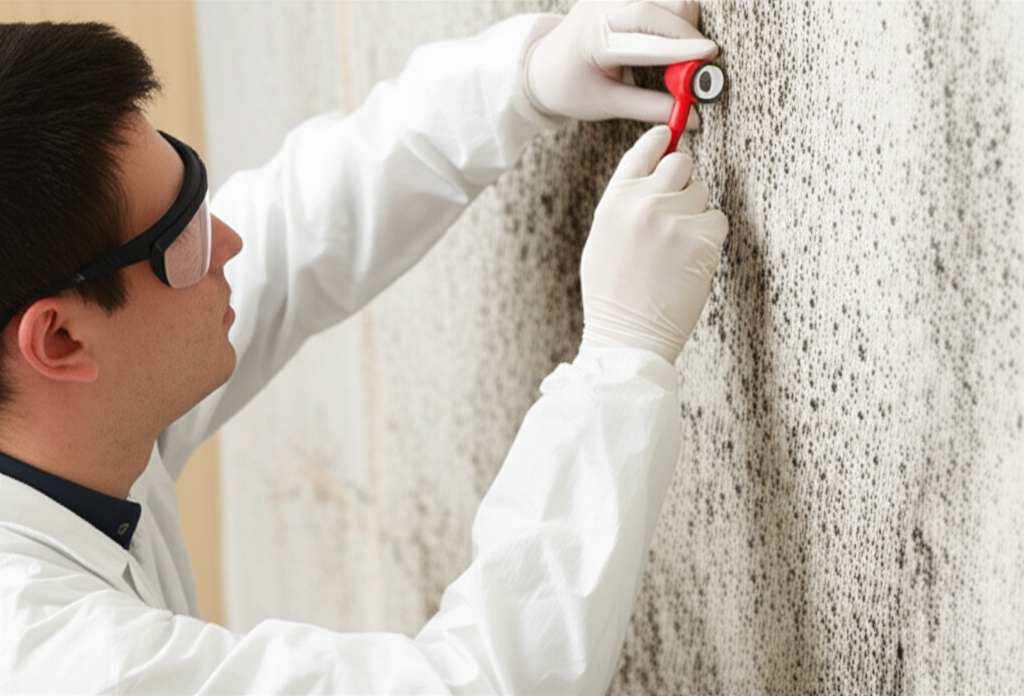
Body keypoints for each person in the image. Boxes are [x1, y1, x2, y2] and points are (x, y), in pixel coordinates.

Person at [0, 1, 728, 693]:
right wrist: (620, 360)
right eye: (179, 239)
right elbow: (472, 686)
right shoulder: (60, 665)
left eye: (197, 195)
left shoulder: (61, 426)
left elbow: (295, 232)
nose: (229, 242)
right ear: (59, 339)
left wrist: (527, 78)